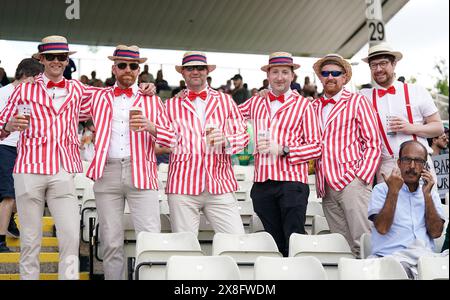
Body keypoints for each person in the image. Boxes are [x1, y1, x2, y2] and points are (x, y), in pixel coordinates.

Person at [0, 36, 155, 280]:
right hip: (29, 168)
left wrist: (145, 88)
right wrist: (8, 125)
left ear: (67, 60)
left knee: (71, 238)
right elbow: (2, 125)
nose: (57, 62)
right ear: (41, 60)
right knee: (30, 240)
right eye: (51, 57)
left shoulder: (78, 90)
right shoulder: (24, 89)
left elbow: (117, 93)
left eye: (62, 57)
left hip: (62, 170)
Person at [85, 45, 175, 280]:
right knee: (110, 241)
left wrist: (150, 126)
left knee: (149, 239)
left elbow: (172, 137)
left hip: (142, 170)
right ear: (114, 68)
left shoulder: (152, 100)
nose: (127, 69)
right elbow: (65, 104)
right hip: (107, 170)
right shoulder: (97, 96)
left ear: (139, 70)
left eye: (133, 66)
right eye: (122, 65)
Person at [239, 52, 322, 256]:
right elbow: (226, 112)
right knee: (273, 243)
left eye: (285, 72)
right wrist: (184, 95)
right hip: (263, 183)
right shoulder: (256, 102)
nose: (280, 77)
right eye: (275, 72)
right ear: (268, 75)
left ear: (292, 76)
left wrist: (284, 149)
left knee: (294, 240)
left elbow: (317, 146)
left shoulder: (305, 106)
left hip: (292, 183)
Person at [162, 51, 249, 235]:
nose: (195, 72)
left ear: (207, 71)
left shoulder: (226, 101)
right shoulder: (170, 105)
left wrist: (226, 140)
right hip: (182, 186)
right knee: (185, 247)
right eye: (190, 68)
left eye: (200, 68)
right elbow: (163, 140)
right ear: (183, 73)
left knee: (236, 241)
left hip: (220, 184)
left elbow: (243, 136)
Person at [311, 54, 381, 256]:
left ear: (344, 78)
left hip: (352, 182)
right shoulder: (313, 106)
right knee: (341, 246)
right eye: (325, 73)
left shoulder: (357, 101)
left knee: (363, 242)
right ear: (320, 77)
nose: (330, 77)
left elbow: (372, 142)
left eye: (335, 73)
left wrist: (361, 178)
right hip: (326, 186)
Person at [359, 43, 444, 185]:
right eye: (374, 65)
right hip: (386, 166)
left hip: (419, 164)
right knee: (389, 207)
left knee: (425, 206)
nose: (378, 69)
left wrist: (411, 128)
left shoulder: (417, 91)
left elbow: (438, 127)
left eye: (383, 63)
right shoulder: (363, 96)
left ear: (394, 64)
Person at [368, 140, 446, 279]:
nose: (412, 166)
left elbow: (436, 233)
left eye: (418, 161)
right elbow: (382, 228)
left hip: (424, 260)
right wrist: (393, 191)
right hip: (391, 260)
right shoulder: (381, 190)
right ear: (398, 163)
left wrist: (427, 196)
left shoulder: (430, 192)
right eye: (407, 160)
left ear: (424, 166)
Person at [0, 58, 43, 253]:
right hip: (5, 146)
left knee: (23, 193)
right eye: (36, 79)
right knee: (8, 195)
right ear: (27, 76)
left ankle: (8, 220)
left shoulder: (32, 95)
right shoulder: (4, 93)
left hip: (25, 147)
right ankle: (0, 240)